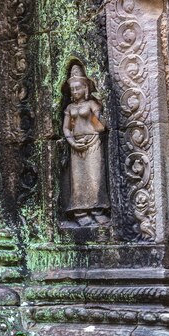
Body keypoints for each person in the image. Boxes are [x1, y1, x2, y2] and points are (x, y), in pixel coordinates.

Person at [62, 64, 110, 226]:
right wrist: (72, 142)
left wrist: (95, 113)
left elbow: (101, 127)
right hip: (76, 145)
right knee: (78, 180)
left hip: (93, 142)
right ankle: (81, 212)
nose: (75, 92)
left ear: (85, 88)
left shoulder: (91, 105)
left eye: (78, 88)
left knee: (94, 176)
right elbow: (66, 128)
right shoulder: (69, 108)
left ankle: (98, 209)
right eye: (72, 89)